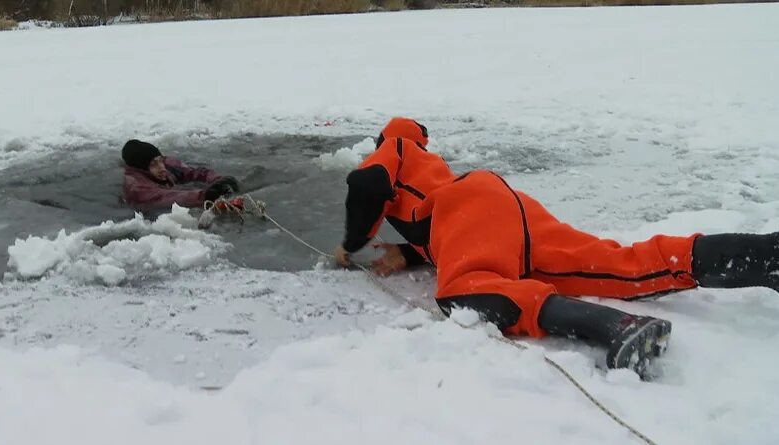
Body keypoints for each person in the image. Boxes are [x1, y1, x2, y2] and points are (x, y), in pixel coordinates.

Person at [334, 117, 779, 378]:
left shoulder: (393, 148)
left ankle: (614, 327)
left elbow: (365, 184)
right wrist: (408, 253)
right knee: (618, 264)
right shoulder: (430, 169)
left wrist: (349, 246)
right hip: (509, 209)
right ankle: (764, 257)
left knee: (468, 292)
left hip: (471, 208)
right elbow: (442, 233)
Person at [120, 139, 239, 209]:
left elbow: (195, 173)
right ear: (142, 168)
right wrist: (204, 196)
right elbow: (165, 197)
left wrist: (218, 180)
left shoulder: (168, 165)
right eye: (154, 164)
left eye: (161, 160)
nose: (162, 167)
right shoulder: (137, 188)